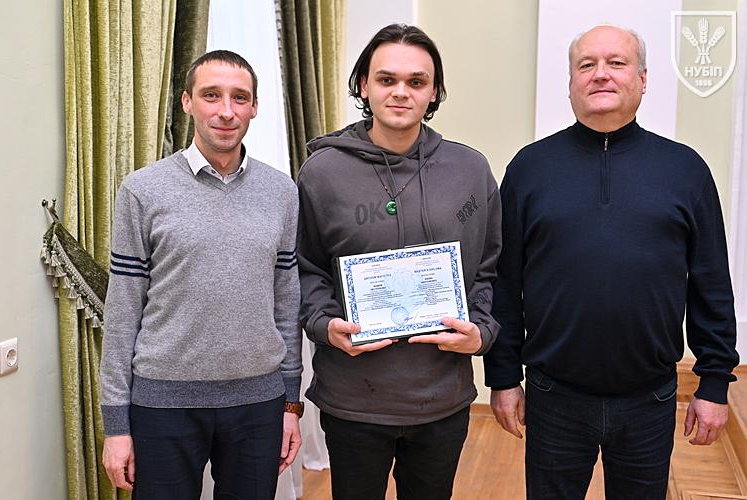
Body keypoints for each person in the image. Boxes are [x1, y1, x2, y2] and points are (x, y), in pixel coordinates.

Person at [485, 25, 739, 499]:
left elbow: (711, 284)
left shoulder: (686, 170)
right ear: (570, 84)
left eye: (616, 63)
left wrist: (714, 383)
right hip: (553, 396)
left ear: (643, 79)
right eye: (587, 65)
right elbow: (505, 281)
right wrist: (502, 376)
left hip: (650, 397)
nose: (600, 74)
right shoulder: (529, 168)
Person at [297, 23, 501, 500]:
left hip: (442, 397)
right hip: (353, 398)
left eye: (416, 81)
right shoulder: (322, 173)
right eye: (386, 79)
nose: (401, 92)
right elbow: (305, 269)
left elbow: (489, 269)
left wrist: (482, 332)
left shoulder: (470, 171)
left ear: (434, 92)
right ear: (363, 86)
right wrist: (325, 325)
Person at [100, 50, 303, 499]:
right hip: (161, 404)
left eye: (239, 98)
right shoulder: (142, 190)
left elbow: (287, 301)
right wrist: (116, 425)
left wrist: (291, 404)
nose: (226, 111)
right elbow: (122, 310)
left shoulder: (282, 191)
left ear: (254, 107)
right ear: (187, 101)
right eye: (211, 95)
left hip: (259, 404)